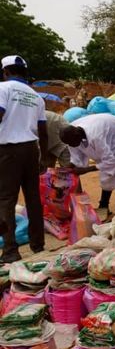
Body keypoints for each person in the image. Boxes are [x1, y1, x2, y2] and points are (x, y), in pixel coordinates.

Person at [0, 55, 47, 263]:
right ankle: (38, 245)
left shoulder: (3, 88)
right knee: (33, 198)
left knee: (6, 199)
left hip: (8, 150)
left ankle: (10, 250)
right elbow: (43, 130)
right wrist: (43, 157)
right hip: (31, 149)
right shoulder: (36, 96)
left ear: (6, 72)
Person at [60, 113, 115, 213]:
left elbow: (109, 161)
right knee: (106, 176)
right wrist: (65, 170)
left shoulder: (95, 136)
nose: (70, 145)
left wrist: (89, 169)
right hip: (105, 134)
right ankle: (103, 206)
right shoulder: (72, 135)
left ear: (77, 136)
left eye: (71, 143)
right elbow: (76, 160)